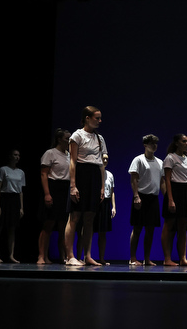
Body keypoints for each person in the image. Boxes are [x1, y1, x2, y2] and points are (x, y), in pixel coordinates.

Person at [64, 106, 108, 266]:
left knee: (90, 217)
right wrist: (73, 186)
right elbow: (73, 161)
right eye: (97, 118)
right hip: (81, 174)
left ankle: (87, 255)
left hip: (94, 175)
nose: (100, 121)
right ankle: (70, 256)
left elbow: (101, 165)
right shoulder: (77, 135)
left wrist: (102, 187)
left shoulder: (99, 138)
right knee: (75, 216)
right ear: (87, 118)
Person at [128, 134, 165, 266]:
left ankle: (147, 259)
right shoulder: (138, 160)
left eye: (156, 143)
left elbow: (162, 182)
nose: (154, 145)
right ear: (145, 145)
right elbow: (134, 179)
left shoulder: (160, 162)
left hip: (153, 198)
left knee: (150, 230)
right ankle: (133, 258)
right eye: (151, 143)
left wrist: (166, 197)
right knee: (137, 228)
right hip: (141, 197)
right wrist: (136, 196)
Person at [38, 129, 74, 264]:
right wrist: (47, 194)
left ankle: (64, 256)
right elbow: (44, 174)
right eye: (66, 138)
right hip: (54, 187)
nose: (69, 141)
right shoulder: (50, 153)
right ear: (59, 139)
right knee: (49, 223)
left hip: (66, 189)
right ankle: (42, 256)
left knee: (63, 225)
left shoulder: (69, 155)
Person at [161, 133, 187, 266]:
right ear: (177, 143)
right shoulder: (170, 158)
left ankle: (183, 258)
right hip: (174, 191)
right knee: (169, 225)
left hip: (185, 192)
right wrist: (170, 199)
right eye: (183, 141)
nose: (186, 143)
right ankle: (167, 259)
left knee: (183, 226)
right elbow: (168, 180)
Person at [77, 153, 115, 265]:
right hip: (94, 201)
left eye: (107, 159)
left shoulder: (110, 175)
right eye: (103, 158)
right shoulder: (93, 173)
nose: (105, 161)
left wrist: (114, 206)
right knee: (86, 229)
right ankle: (81, 257)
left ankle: (101, 258)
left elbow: (112, 192)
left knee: (102, 232)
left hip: (105, 203)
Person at [0, 149, 25, 263]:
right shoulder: (3, 169)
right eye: (15, 155)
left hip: (15, 199)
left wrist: (21, 207)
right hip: (4, 198)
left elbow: (21, 191)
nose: (17, 157)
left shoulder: (21, 172)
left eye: (18, 155)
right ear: (10, 156)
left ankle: (11, 255)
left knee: (12, 228)